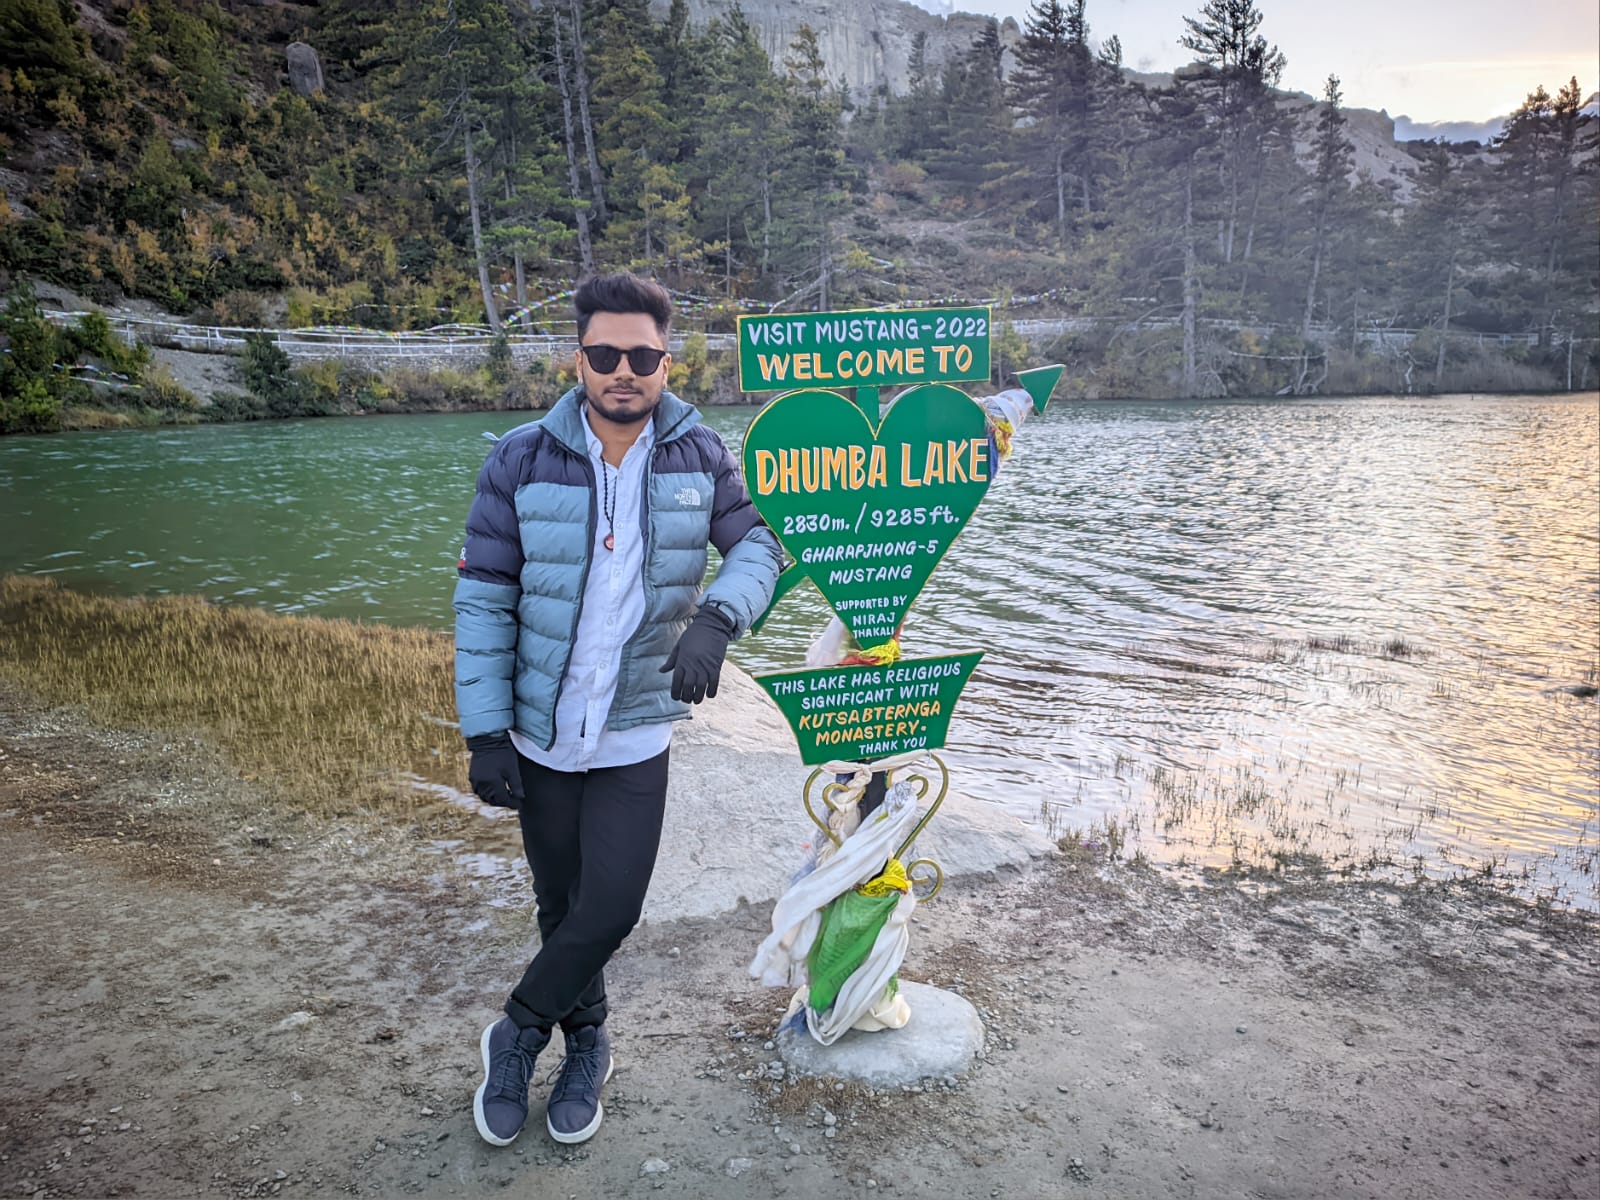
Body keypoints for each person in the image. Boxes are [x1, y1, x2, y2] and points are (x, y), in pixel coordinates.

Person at [452, 272, 782, 1148]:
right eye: (605, 355)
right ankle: (587, 1044)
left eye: (642, 356)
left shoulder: (700, 453)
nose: (623, 371)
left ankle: (518, 1031)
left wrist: (719, 617)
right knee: (560, 904)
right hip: (541, 731)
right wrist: (485, 732)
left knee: (612, 907)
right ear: (579, 362)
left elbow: (759, 544)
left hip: (635, 729)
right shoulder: (520, 458)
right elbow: (484, 600)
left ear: (667, 364)